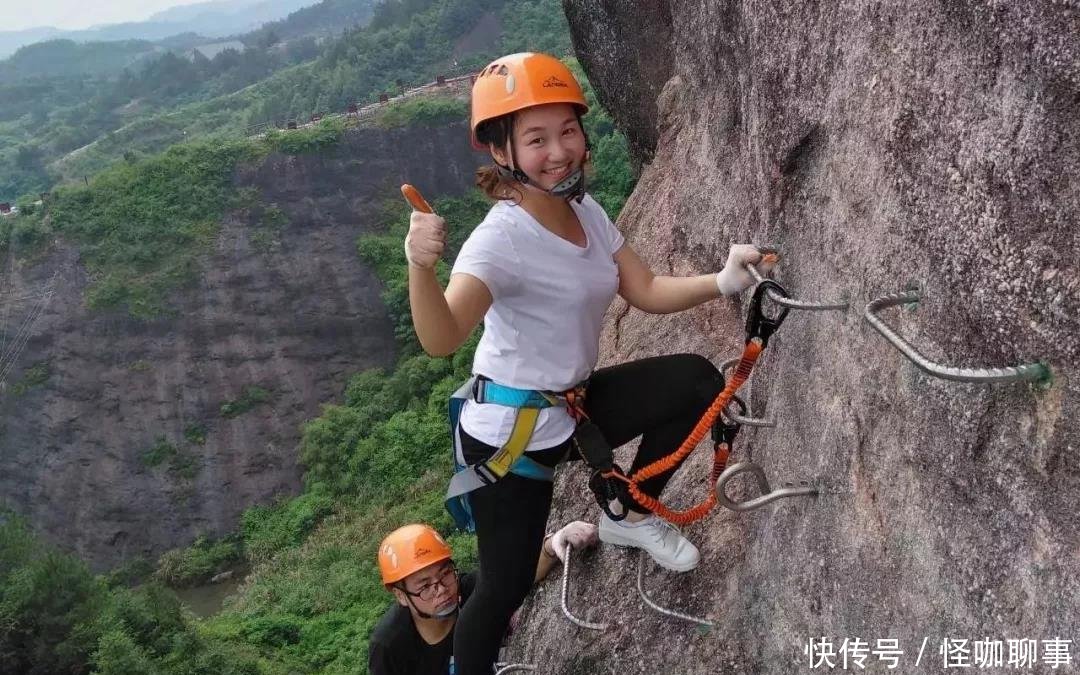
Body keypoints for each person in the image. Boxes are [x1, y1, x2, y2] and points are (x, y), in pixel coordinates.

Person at [404, 52, 774, 674]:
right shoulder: (500, 240)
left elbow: (645, 289)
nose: (559, 152)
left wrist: (723, 280)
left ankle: (628, 515)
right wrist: (419, 266)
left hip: (572, 406)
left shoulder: (587, 213)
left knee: (695, 383)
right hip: (510, 436)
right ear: (501, 150)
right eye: (536, 139)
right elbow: (442, 336)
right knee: (504, 587)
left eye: (568, 130)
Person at [368, 521, 597, 675]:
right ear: (401, 595)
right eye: (425, 586)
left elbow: (514, 577)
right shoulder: (390, 647)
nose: (442, 589)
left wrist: (552, 544)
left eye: (445, 573)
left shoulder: (468, 591)